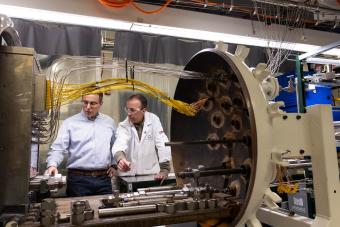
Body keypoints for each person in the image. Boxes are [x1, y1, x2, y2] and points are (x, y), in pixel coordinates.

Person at [46, 93, 116, 197]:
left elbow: (115, 146)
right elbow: (58, 148)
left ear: (101, 103)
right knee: (78, 212)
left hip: (103, 179)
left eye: (93, 103)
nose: (88, 107)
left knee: (106, 210)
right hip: (78, 181)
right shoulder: (69, 123)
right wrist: (52, 165)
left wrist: (114, 164)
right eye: (85, 102)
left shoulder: (109, 122)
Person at [112, 94, 171, 180]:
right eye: (127, 109)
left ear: (144, 110)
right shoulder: (124, 125)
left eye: (132, 110)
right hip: (128, 175)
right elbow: (120, 143)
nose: (129, 114)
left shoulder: (153, 120)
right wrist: (121, 160)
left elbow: (162, 142)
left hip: (150, 175)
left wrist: (165, 169)